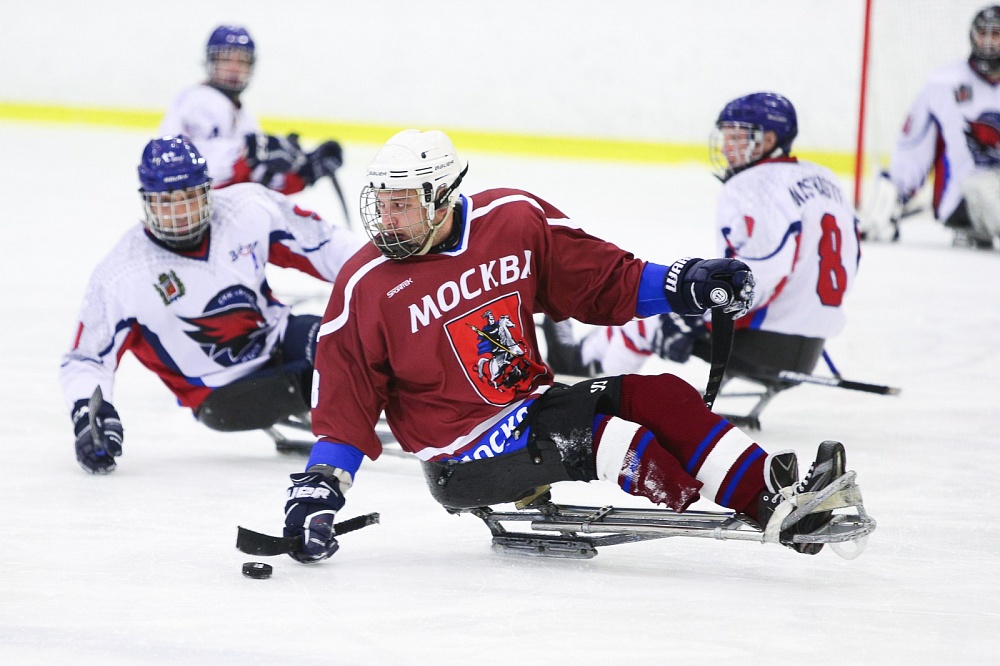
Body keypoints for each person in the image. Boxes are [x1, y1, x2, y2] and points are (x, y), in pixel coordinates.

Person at [278, 128, 866, 564]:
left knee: (658, 394)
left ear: (443, 196)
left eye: (401, 203)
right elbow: (346, 400)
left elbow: (597, 277)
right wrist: (318, 492)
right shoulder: (366, 283)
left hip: (530, 408)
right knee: (610, 437)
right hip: (460, 455)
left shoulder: (511, 219)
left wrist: (685, 282)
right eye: (381, 201)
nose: (386, 218)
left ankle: (771, 493)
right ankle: (722, 496)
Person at [542, 92, 860, 425]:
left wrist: (701, 313)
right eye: (725, 137)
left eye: (736, 137)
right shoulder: (825, 180)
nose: (725, 147)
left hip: (759, 342)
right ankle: (581, 354)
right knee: (672, 294)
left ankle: (593, 396)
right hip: (809, 345)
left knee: (652, 303)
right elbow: (848, 261)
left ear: (767, 139)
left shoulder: (752, 186)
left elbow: (761, 277)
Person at [59, 136, 363, 474]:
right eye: (168, 201)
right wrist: (89, 415)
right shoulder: (123, 273)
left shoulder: (247, 208)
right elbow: (86, 359)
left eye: (190, 196)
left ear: (208, 189)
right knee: (337, 371)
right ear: (147, 202)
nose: (182, 213)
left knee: (354, 339)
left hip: (278, 340)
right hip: (222, 394)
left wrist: (386, 276)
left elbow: (326, 245)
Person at [862, 5, 1000, 249]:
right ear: (973, 35)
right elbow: (914, 146)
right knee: (985, 185)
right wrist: (893, 196)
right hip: (964, 198)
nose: (988, 42)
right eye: (983, 34)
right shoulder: (944, 84)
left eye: (996, 35)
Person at [159, 25, 344, 197]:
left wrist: (304, 172)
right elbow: (188, 170)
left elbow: (255, 183)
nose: (234, 69)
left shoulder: (242, 114)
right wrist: (248, 153)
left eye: (242, 61)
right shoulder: (198, 101)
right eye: (225, 60)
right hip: (189, 216)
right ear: (209, 61)